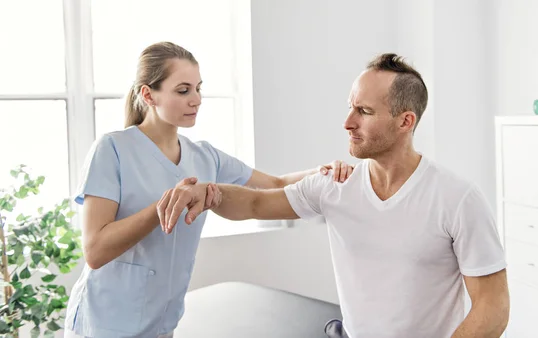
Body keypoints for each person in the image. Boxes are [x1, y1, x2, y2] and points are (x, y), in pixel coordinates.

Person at [160, 53, 510, 338]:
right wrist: (208, 193)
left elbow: (493, 307)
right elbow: (255, 202)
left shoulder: (457, 198)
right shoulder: (335, 186)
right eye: (350, 106)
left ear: (405, 122)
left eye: (365, 112)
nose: (347, 122)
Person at [64, 41, 354, 338]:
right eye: (183, 90)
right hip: (103, 324)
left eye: (198, 88)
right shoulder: (112, 149)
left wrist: (326, 172)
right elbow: (95, 251)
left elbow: (276, 184)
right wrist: (166, 205)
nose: (196, 99)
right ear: (148, 95)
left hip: (161, 324)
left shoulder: (204, 157)